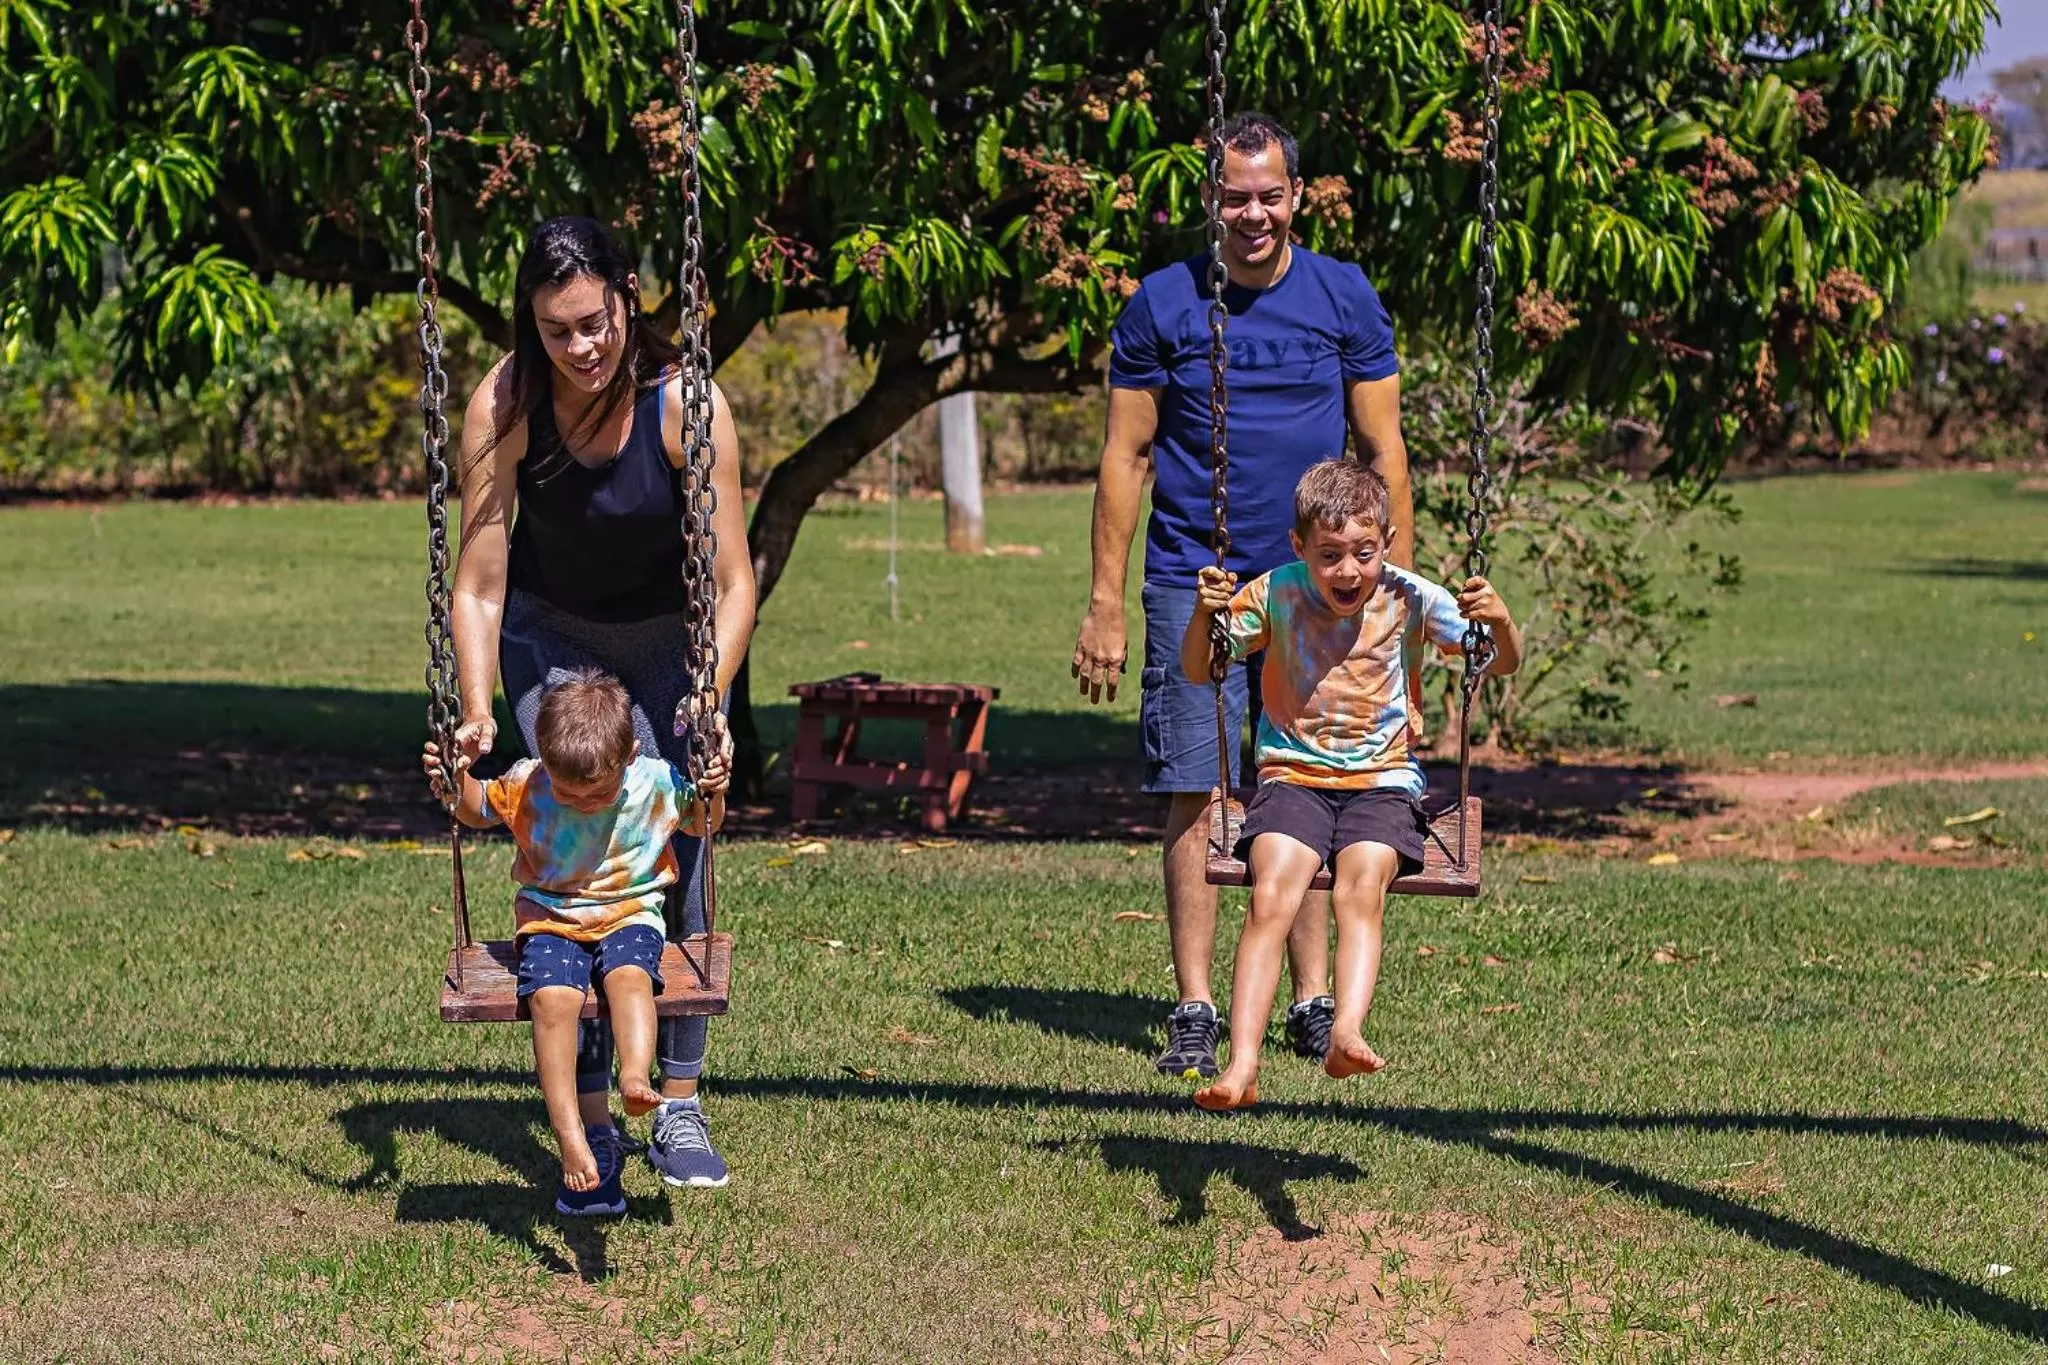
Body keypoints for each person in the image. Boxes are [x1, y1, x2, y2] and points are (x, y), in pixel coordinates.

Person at [1071, 112, 1417, 1078]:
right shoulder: (1162, 304)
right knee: (1196, 786)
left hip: (1320, 587)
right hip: (1199, 577)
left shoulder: (1342, 296)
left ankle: (1311, 998)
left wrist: (1389, 593)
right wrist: (1105, 601)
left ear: (1296, 195)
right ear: (1210, 200)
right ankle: (1194, 1004)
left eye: (1269, 195)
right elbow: (1125, 455)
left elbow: (1383, 449)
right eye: (1235, 197)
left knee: (1309, 779)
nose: (1253, 214)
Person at [448, 216, 755, 1190]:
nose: (581, 347)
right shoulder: (505, 402)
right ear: (529, 326)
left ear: (628, 296)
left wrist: (708, 692)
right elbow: (479, 584)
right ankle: (592, 1113)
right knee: (576, 842)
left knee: (677, 846)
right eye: (557, 331)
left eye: (595, 322)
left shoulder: (685, 403)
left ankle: (679, 1101)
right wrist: (476, 709)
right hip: (553, 636)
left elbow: (733, 581)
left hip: (670, 638)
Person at [1180, 460, 1521, 1111]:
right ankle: (1242, 1064)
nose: (1347, 571)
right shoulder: (1275, 592)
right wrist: (1205, 616)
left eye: (1364, 553)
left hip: (1383, 784)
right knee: (1271, 895)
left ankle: (1346, 1031)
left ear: (1386, 543)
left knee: (1361, 889)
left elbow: (1498, 662)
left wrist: (1500, 622)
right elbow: (1201, 667)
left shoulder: (1412, 596)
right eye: (1329, 554)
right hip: (1293, 778)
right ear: (1299, 546)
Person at [425, 671, 729, 1212]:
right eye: (569, 794)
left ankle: (634, 1077)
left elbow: (700, 822)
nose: (585, 804)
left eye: (600, 794)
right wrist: (455, 776)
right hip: (551, 917)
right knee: (553, 1002)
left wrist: (714, 788)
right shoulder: (529, 783)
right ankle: (572, 1137)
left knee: (630, 980)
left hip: (630, 912)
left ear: (630, 755)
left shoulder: (655, 781)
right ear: (544, 760)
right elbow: (477, 809)